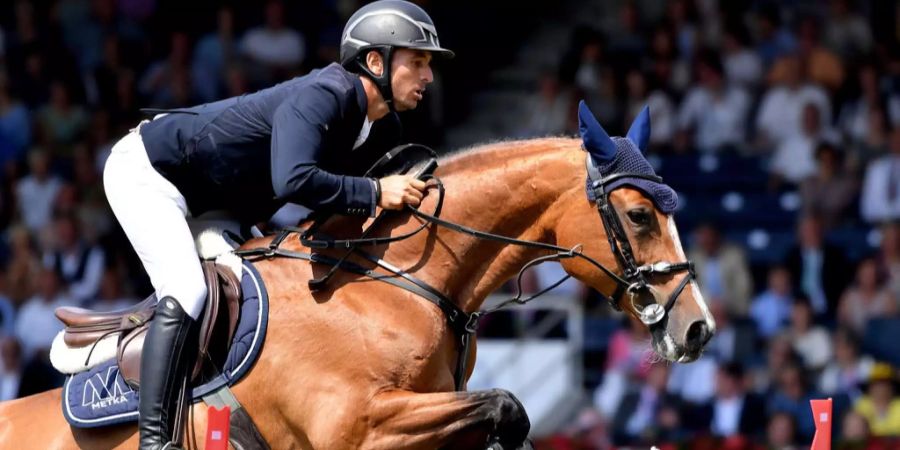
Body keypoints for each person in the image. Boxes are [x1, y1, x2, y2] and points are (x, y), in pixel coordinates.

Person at [100, 2, 454, 448]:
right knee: (187, 290)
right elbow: (294, 178)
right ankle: (155, 440)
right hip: (150, 175)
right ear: (376, 61)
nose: (428, 77)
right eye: (418, 61)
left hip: (220, 204)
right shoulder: (325, 94)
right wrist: (376, 192)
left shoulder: (380, 127)